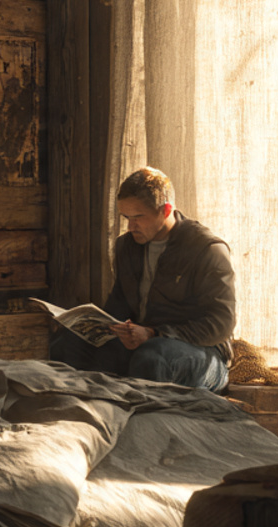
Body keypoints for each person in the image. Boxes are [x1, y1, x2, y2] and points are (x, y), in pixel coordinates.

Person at [49, 167, 234, 391]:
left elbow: (221, 324)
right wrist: (96, 326)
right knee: (66, 344)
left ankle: (143, 420)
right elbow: (119, 307)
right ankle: (88, 415)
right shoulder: (126, 247)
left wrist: (154, 333)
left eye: (138, 217)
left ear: (166, 210)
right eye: (126, 217)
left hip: (202, 353)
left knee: (152, 358)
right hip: (143, 343)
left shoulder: (207, 249)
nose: (130, 226)